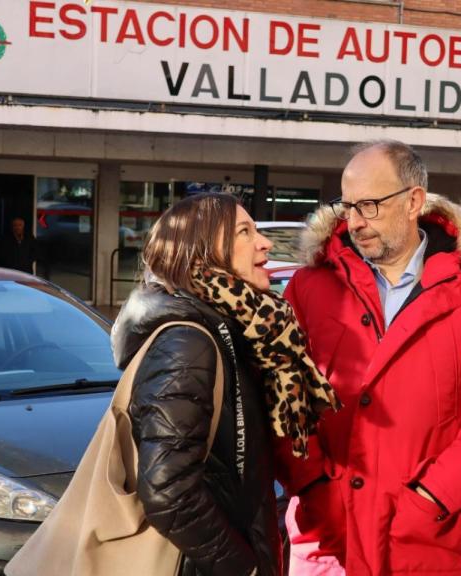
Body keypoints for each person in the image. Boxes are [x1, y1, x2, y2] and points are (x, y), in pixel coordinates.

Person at [279, 140, 461, 575]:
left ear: (414, 200)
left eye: (370, 205)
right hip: (327, 540)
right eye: (348, 206)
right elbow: (283, 394)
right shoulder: (309, 286)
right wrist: (314, 483)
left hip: (426, 542)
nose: (355, 222)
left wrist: (433, 496)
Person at [110, 193, 340, 576]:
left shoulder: (232, 329)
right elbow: (169, 491)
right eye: (245, 232)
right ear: (202, 253)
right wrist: (242, 567)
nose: (264, 242)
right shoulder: (189, 343)